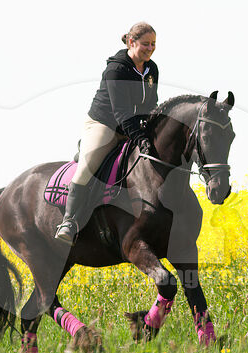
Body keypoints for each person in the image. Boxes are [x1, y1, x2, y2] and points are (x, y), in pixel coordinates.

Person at [55, 22, 159, 245]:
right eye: (145, 44)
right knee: (88, 165)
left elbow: (151, 103)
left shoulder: (152, 69)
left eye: (153, 44)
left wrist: (151, 127)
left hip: (132, 125)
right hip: (104, 124)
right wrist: (139, 136)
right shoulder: (116, 69)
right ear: (131, 42)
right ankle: (69, 221)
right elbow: (120, 112)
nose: (150, 48)